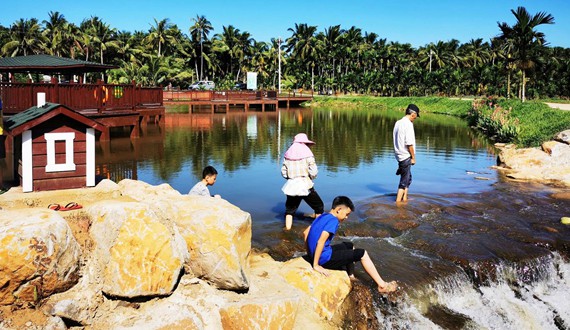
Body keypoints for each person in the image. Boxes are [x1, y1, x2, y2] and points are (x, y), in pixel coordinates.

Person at [303, 196, 398, 293]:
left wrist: (310, 254)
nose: (347, 217)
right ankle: (382, 285)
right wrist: (316, 265)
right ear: (339, 210)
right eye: (346, 214)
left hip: (320, 254)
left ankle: (350, 275)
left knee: (349, 245)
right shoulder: (334, 221)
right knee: (362, 253)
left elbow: (305, 233)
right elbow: (321, 241)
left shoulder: (322, 216)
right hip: (325, 259)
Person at [281, 133, 324, 230]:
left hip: (291, 186)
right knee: (319, 206)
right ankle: (318, 228)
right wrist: (311, 177)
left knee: (290, 210)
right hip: (305, 185)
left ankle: (287, 229)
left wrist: (290, 178)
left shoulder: (288, 154)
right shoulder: (308, 154)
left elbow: (283, 172)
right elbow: (314, 171)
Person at [393, 104, 420, 203]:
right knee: (404, 181)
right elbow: (409, 144)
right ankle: (398, 203)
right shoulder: (408, 124)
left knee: (408, 178)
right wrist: (413, 157)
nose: (416, 118)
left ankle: (405, 198)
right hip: (405, 156)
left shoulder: (398, 122)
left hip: (399, 155)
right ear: (413, 114)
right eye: (416, 116)